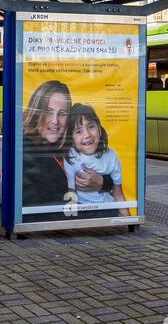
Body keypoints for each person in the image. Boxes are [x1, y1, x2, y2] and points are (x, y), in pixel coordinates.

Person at [20, 80, 109, 221]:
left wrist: (103, 182)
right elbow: (53, 209)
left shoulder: (63, 146)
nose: (55, 121)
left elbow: (99, 170)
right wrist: (109, 212)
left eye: (62, 113)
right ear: (36, 113)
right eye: (48, 112)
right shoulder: (27, 154)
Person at [63, 104, 128, 215]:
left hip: (108, 210)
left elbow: (118, 193)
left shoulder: (111, 156)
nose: (87, 134)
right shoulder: (71, 157)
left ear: (99, 127)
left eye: (91, 126)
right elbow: (71, 193)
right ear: (71, 138)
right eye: (79, 131)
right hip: (82, 212)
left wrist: (130, 221)